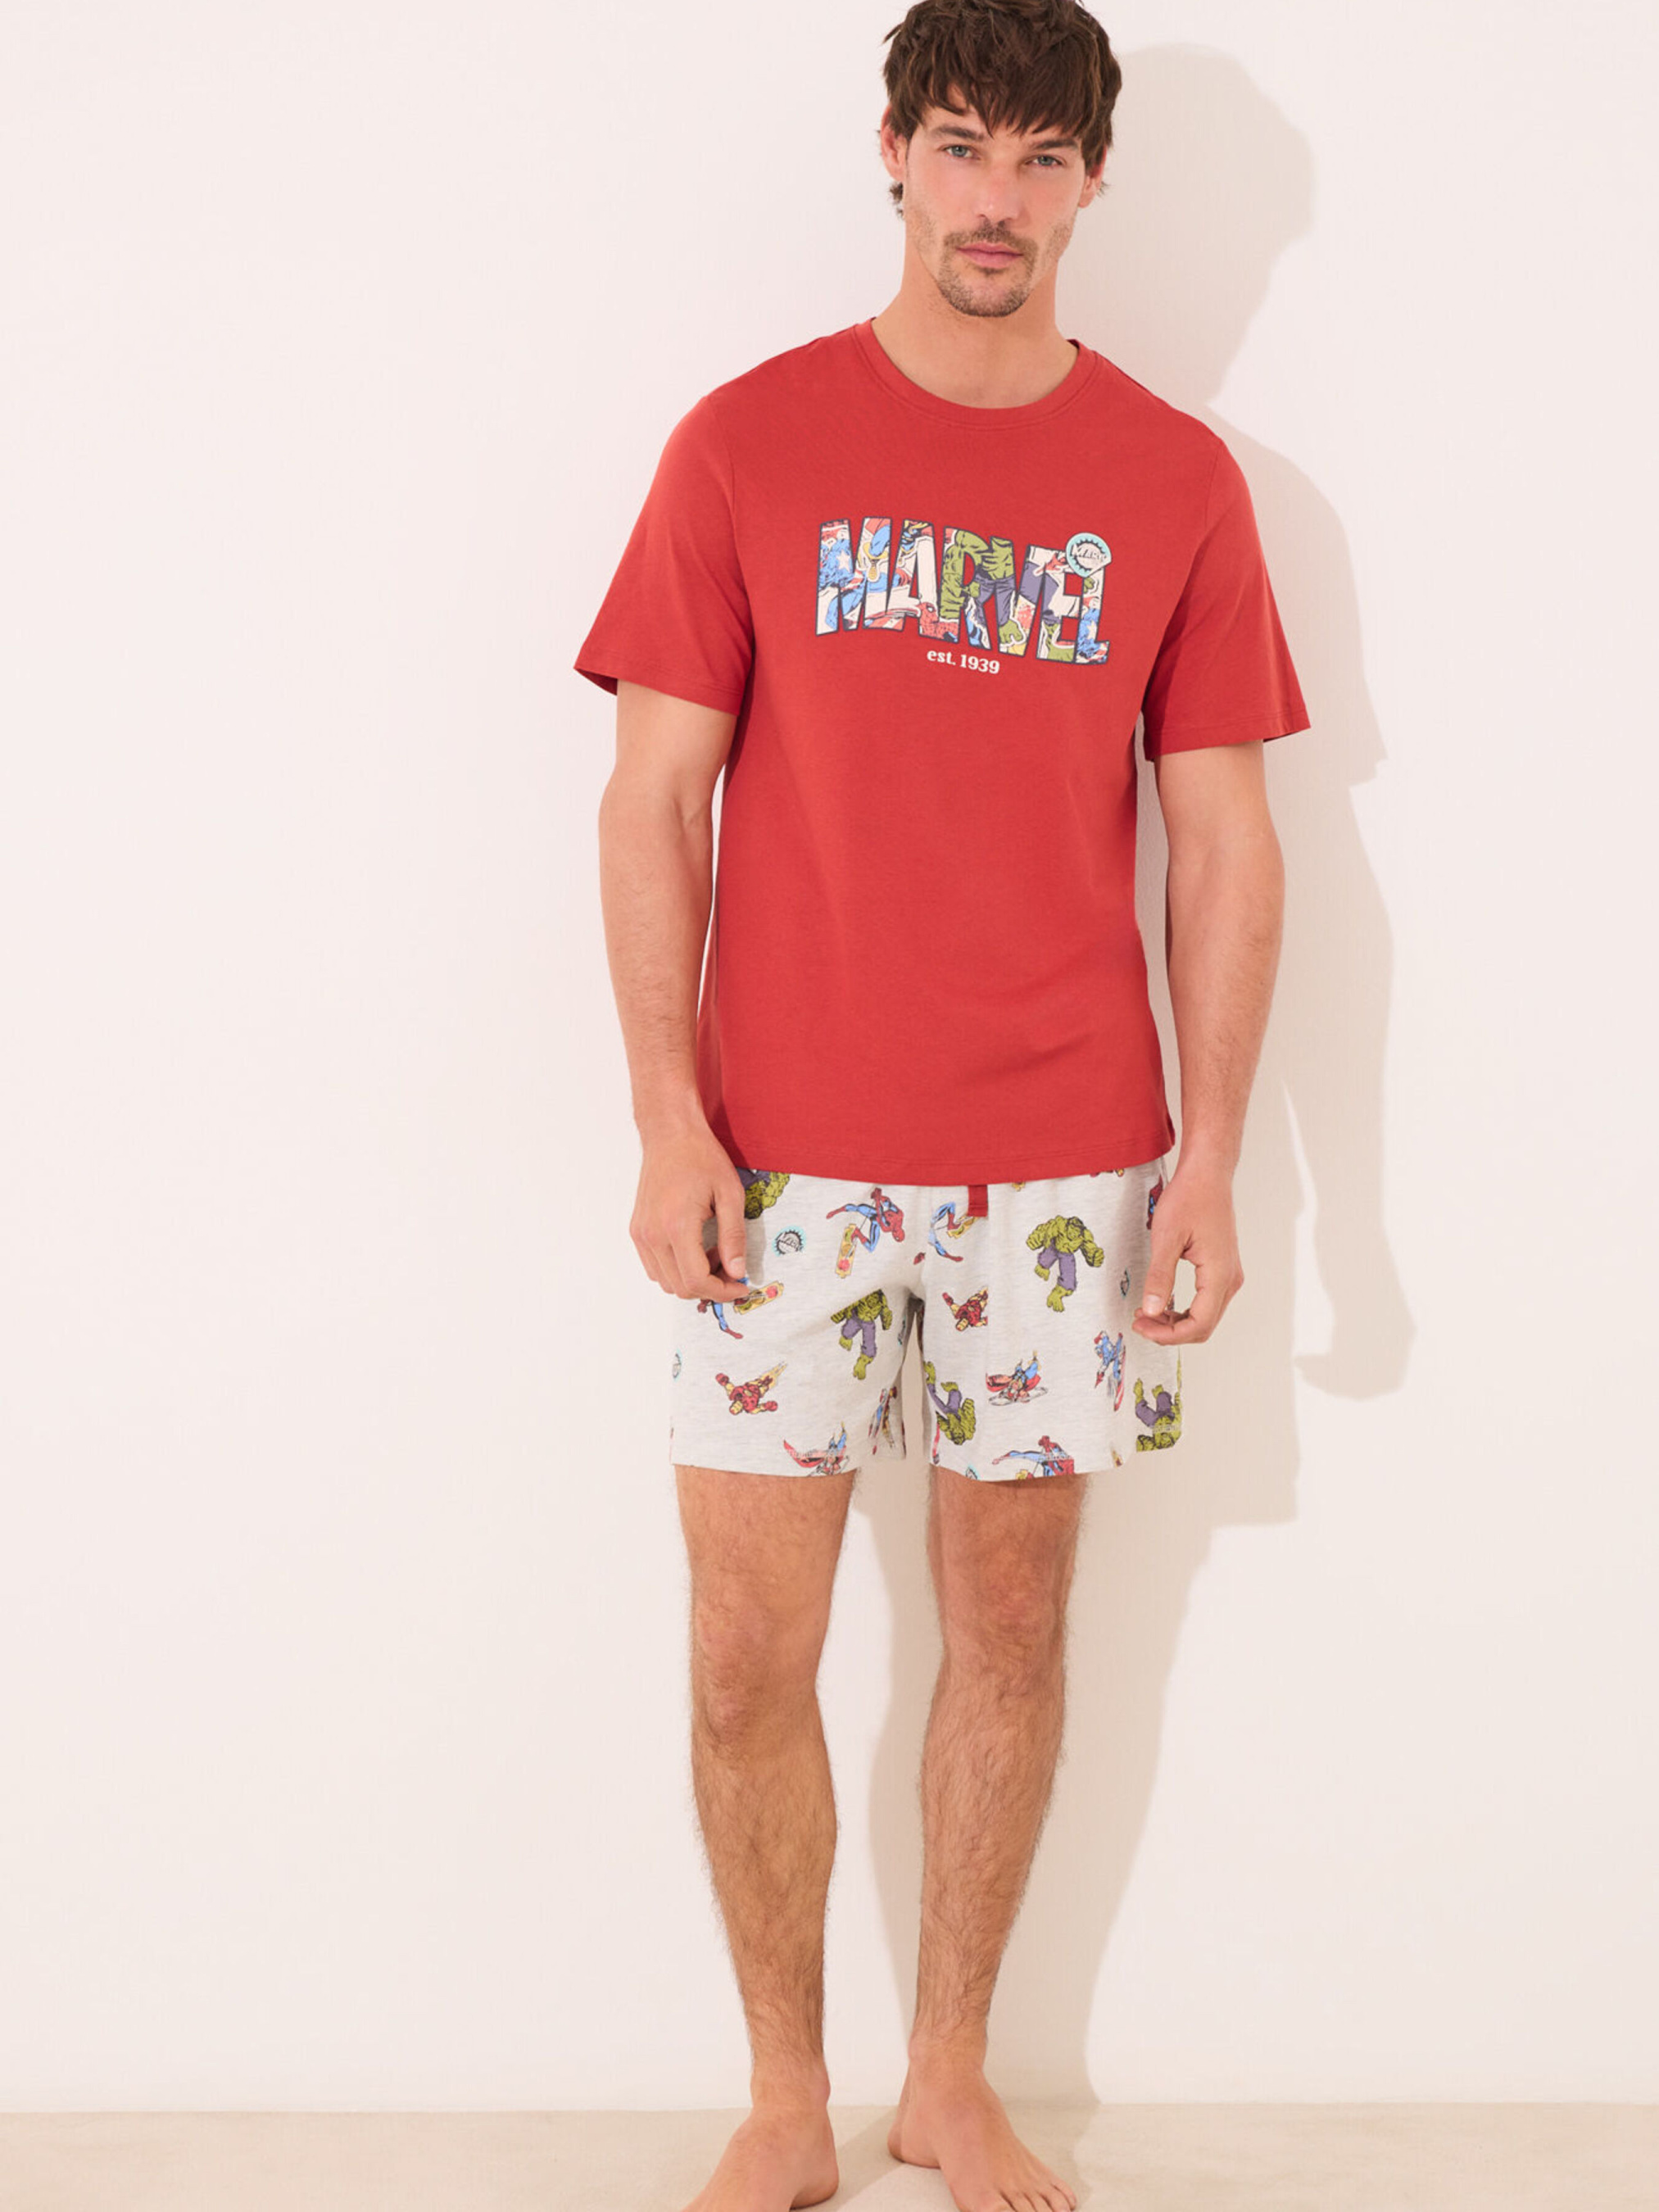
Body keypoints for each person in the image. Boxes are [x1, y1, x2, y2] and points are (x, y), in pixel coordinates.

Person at [574, 2, 1309, 2205]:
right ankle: (784, 2095)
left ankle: (951, 2076)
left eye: (1041, 158)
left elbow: (1226, 839)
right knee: (745, 1650)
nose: (997, 198)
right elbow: (651, 803)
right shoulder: (747, 446)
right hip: (781, 1161)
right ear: (894, 153)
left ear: (1093, 183)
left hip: (1063, 1164)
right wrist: (667, 1116)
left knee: (1009, 1633)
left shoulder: (1174, 482)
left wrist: (1212, 1155)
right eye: (964, 145)